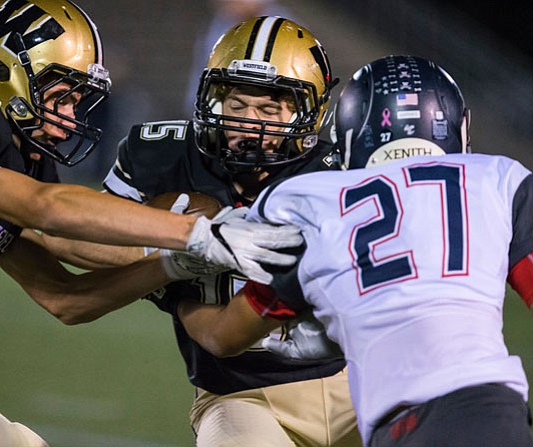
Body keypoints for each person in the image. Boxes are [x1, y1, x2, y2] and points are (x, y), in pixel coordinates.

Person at [0, 1, 304, 445]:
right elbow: (48, 210)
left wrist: (175, 263)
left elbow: (65, 296)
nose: (70, 118)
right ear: (6, 71)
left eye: (76, 101)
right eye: (62, 97)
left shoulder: (16, 159)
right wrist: (197, 233)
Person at [175, 55, 533, 446]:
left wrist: (179, 294)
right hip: (486, 408)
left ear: (347, 133)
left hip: (398, 426)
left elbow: (224, 337)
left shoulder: (311, 205)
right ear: (457, 126)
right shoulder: (498, 179)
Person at [93, 16, 359, 447]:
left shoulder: (344, 175)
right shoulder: (166, 158)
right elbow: (89, 242)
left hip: (359, 382)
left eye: (269, 109)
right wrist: (176, 246)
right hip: (241, 396)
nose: (248, 122)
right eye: (237, 105)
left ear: (309, 113)